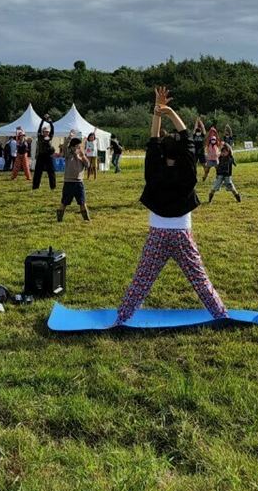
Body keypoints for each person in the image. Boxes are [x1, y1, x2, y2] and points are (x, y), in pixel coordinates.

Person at [116, 87, 227, 325]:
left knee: (141, 281)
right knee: (200, 280)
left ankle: (122, 317)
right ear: (182, 154)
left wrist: (157, 112)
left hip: (157, 233)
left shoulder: (153, 169)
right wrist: (169, 111)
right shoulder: (187, 171)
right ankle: (221, 315)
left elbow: (153, 141)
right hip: (182, 233)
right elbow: (187, 138)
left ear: (162, 151)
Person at [58, 137, 90, 222]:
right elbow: (64, 147)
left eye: (79, 147)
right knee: (64, 202)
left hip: (79, 183)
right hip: (68, 182)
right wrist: (69, 138)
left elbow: (87, 165)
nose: (78, 148)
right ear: (72, 147)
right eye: (76, 146)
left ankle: (86, 219)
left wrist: (82, 157)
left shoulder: (82, 155)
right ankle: (59, 219)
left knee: (82, 202)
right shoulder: (68, 154)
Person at [32, 114, 56, 191]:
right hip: (41, 155)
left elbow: (52, 129)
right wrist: (43, 119)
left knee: (51, 171)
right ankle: (35, 186)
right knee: (38, 171)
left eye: (47, 132)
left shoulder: (50, 137)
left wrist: (50, 122)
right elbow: (39, 128)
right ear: (43, 132)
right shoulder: (40, 136)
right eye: (45, 132)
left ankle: (53, 187)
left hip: (48, 156)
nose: (46, 133)